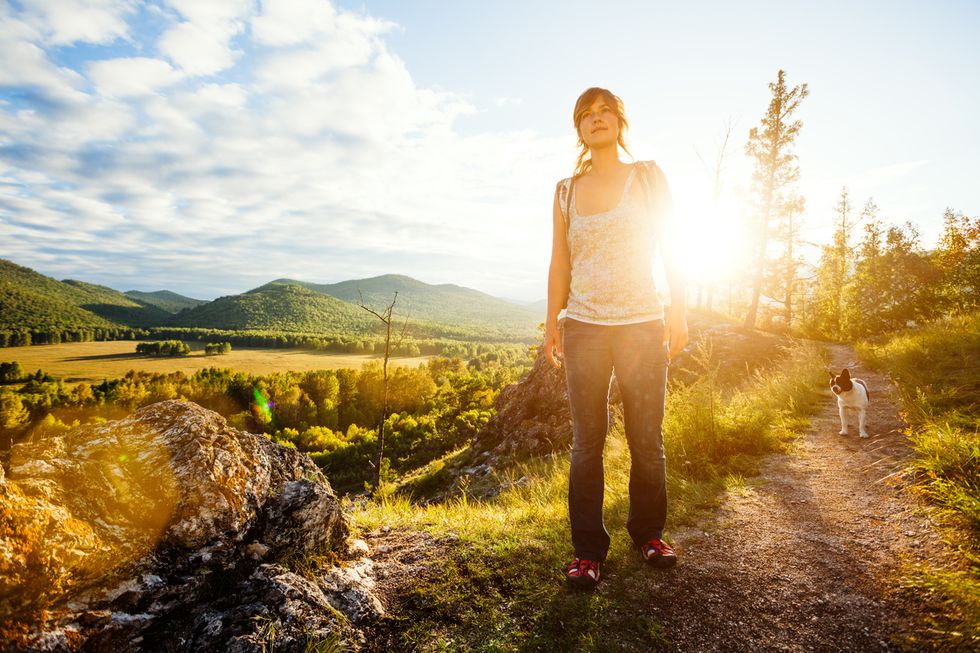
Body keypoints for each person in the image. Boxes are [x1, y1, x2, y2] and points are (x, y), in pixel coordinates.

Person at [542, 87, 688, 590]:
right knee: (587, 443)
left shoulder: (647, 177)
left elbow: (673, 246)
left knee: (647, 439)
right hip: (582, 327)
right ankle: (587, 551)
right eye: (586, 113)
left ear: (620, 122)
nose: (596, 118)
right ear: (578, 129)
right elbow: (560, 261)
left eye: (605, 111)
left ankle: (649, 534)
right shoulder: (564, 190)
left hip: (643, 323)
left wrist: (679, 312)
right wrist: (550, 324)